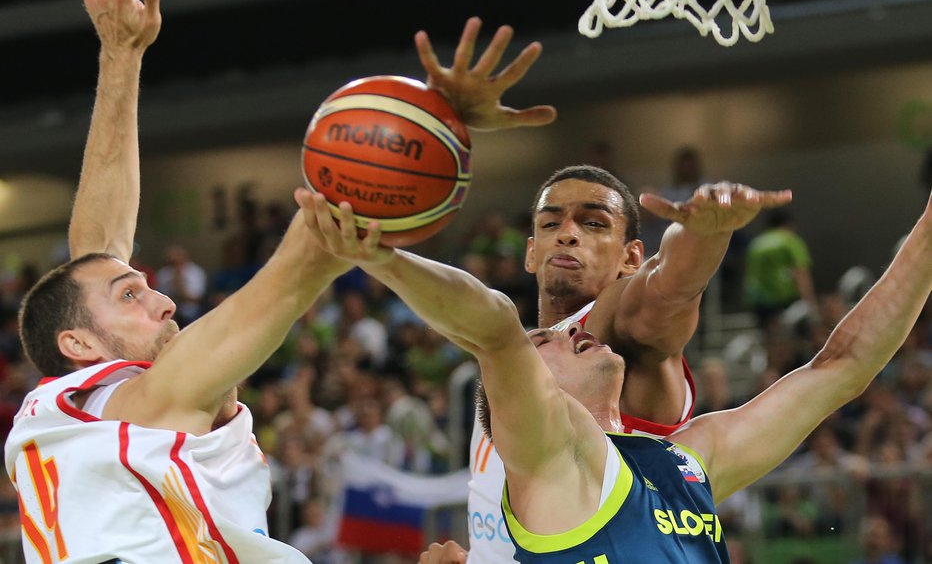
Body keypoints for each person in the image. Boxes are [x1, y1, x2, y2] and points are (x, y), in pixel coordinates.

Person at [3, 0, 552, 562]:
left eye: (145, 284)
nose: (162, 301)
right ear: (79, 346)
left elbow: (96, 255)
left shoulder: (74, 421)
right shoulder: (136, 407)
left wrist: (121, 54)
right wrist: (426, 122)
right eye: (131, 295)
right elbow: (294, 275)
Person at [303, 186, 931, 564]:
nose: (572, 328)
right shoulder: (548, 465)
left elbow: (842, 368)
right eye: (544, 341)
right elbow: (493, 322)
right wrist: (381, 256)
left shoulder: (683, 462)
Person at [416, 19, 791, 564]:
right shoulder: (532, 357)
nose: (567, 231)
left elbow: (670, 288)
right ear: (528, 251)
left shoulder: (609, 333)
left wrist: (709, 231)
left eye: (593, 223)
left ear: (630, 258)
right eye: (550, 223)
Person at [743, 208, 817, 332]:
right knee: (788, 340)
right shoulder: (789, 240)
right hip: (782, 300)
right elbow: (800, 272)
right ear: (789, 224)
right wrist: (810, 302)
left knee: (769, 338)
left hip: (756, 300)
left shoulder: (756, 243)